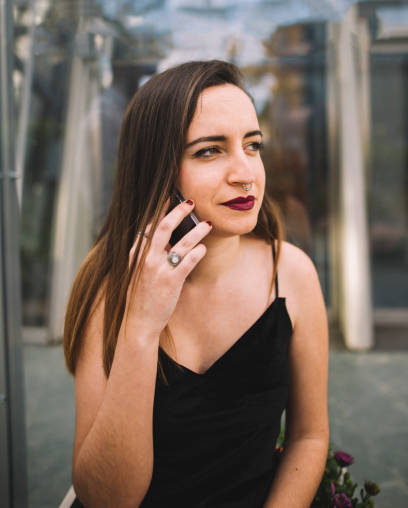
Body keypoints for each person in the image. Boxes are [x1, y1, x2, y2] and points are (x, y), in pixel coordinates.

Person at [63, 59, 329, 507]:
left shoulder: (292, 272)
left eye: (253, 144)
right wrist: (141, 327)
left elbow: (309, 436)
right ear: (158, 169)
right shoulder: (108, 288)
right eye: (209, 151)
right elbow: (108, 498)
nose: (245, 172)